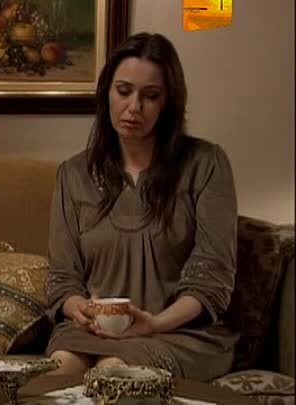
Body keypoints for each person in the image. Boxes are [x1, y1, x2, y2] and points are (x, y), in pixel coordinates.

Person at [44, 32, 238, 382]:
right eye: (123, 91)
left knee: (114, 371)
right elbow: (63, 278)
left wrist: (155, 323)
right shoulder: (73, 174)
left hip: (178, 333)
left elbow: (212, 277)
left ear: (168, 103)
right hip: (92, 332)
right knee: (60, 370)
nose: (134, 107)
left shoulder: (206, 164)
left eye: (150, 96)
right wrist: (80, 309)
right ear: (107, 92)